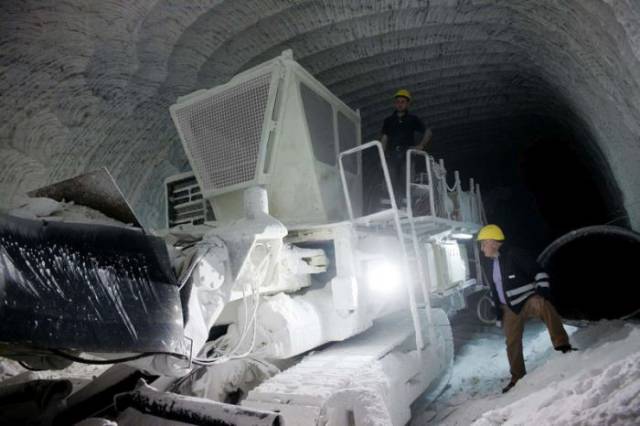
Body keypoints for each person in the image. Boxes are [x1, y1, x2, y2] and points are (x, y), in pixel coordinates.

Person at [476, 224, 574, 393]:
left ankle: (563, 345)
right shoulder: (491, 264)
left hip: (528, 300)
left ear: (492, 241)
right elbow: (495, 289)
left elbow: (538, 271)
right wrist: (497, 308)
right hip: (509, 308)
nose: (482, 248)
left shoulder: (514, 254)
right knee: (511, 342)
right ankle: (517, 377)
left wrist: (542, 291)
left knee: (544, 305)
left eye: (483, 243)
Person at [380, 89, 432, 205]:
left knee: (407, 182)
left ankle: (406, 206)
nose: (400, 104)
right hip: (392, 155)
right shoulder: (388, 120)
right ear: (395, 103)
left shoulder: (413, 119)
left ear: (408, 104)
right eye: (398, 101)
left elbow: (428, 131)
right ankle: (388, 206)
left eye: (403, 101)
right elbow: (384, 137)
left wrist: (421, 145)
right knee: (389, 181)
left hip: (407, 156)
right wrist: (382, 153)